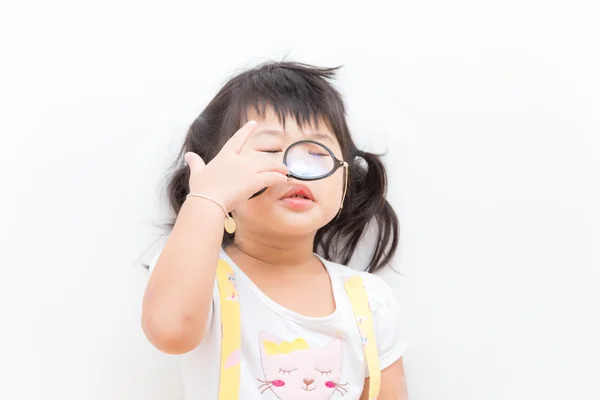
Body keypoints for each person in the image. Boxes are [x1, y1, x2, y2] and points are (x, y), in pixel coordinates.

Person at [143, 61, 408, 399]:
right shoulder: (200, 276)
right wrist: (208, 199)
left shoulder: (369, 300)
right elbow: (170, 331)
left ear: (344, 185)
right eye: (269, 151)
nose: (296, 170)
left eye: (317, 153)